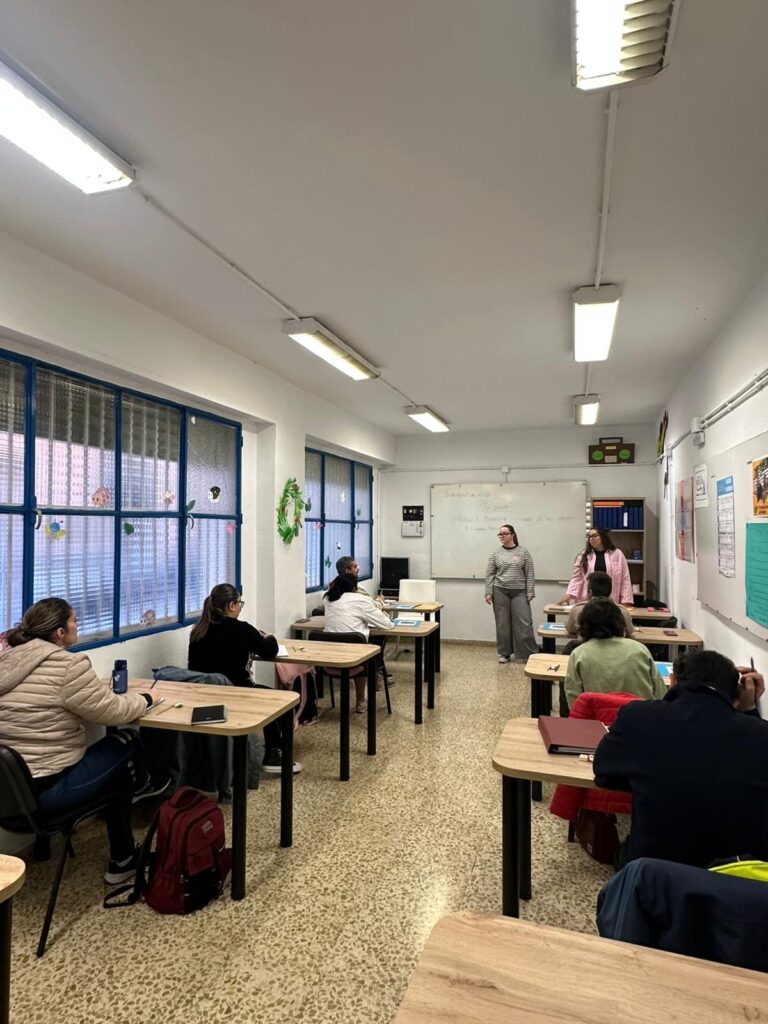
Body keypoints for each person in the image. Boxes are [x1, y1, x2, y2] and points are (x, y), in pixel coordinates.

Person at [0, 598, 162, 884]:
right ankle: (142, 797)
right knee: (126, 742)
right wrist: (146, 699)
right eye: (74, 620)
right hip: (46, 795)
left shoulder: (6, 662)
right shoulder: (68, 666)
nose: (79, 625)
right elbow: (114, 711)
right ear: (60, 632)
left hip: (8, 798)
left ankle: (121, 852)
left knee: (116, 774)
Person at [593, 650, 768, 868]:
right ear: (736, 693)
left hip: (653, 868)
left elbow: (603, 772)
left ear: (673, 680)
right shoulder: (761, 735)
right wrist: (749, 709)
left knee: (624, 849)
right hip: (734, 875)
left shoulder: (638, 716)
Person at [188, 583, 301, 775]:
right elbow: (269, 651)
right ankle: (274, 755)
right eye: (240, 603)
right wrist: (269, 637)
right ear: (231, 605)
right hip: (239, 693)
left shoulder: (198, 630)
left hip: (204, 695)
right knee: (281, 701)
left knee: (268, 694)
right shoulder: (242, 629)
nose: (240, 607)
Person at [563, 598, 665, 708]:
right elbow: (660, 693)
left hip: (597, 718)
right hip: (641, 716)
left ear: (583, 624)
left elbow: (573, 700)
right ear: (620, 622)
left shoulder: (578, 654)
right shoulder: (640, 649)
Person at [323, 573, 393, 714]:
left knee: (355, 646)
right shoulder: (361, 600)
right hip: (356, 660)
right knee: (365, 649)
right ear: (355, 588)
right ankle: (361, 699)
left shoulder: (329, 599)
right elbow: (387, 624)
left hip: (327, 661)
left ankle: (365, 695)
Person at [484, 524, 538, 664]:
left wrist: (530, 591)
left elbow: (530, 573)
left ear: (512, 535)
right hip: (500, 590)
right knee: (502, 624)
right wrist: (488, 592)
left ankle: (528, 653)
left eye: (505, 533)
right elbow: (490, 574)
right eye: (500, 534)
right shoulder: (496, 553)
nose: (502, 536)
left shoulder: (523, 552)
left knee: (525, 623)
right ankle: (505, 653)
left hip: (519, 592)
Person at [560, 527, 633, 607]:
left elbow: (625, 578)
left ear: (603, 537)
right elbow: (577, 578)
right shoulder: (583, 555)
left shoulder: (617, 554)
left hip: (611, 599)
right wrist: (569, 594)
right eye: (589, 537)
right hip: (589, 599)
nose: (591, 539)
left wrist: (626, 600)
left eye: (594, 536)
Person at [565, 570, 634, 638]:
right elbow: (630, 631)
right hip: (615, 645)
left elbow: (571, 629)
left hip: (587, 644)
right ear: (610, 592)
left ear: (590, 592)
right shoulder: (622, 611)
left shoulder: (577, 609)